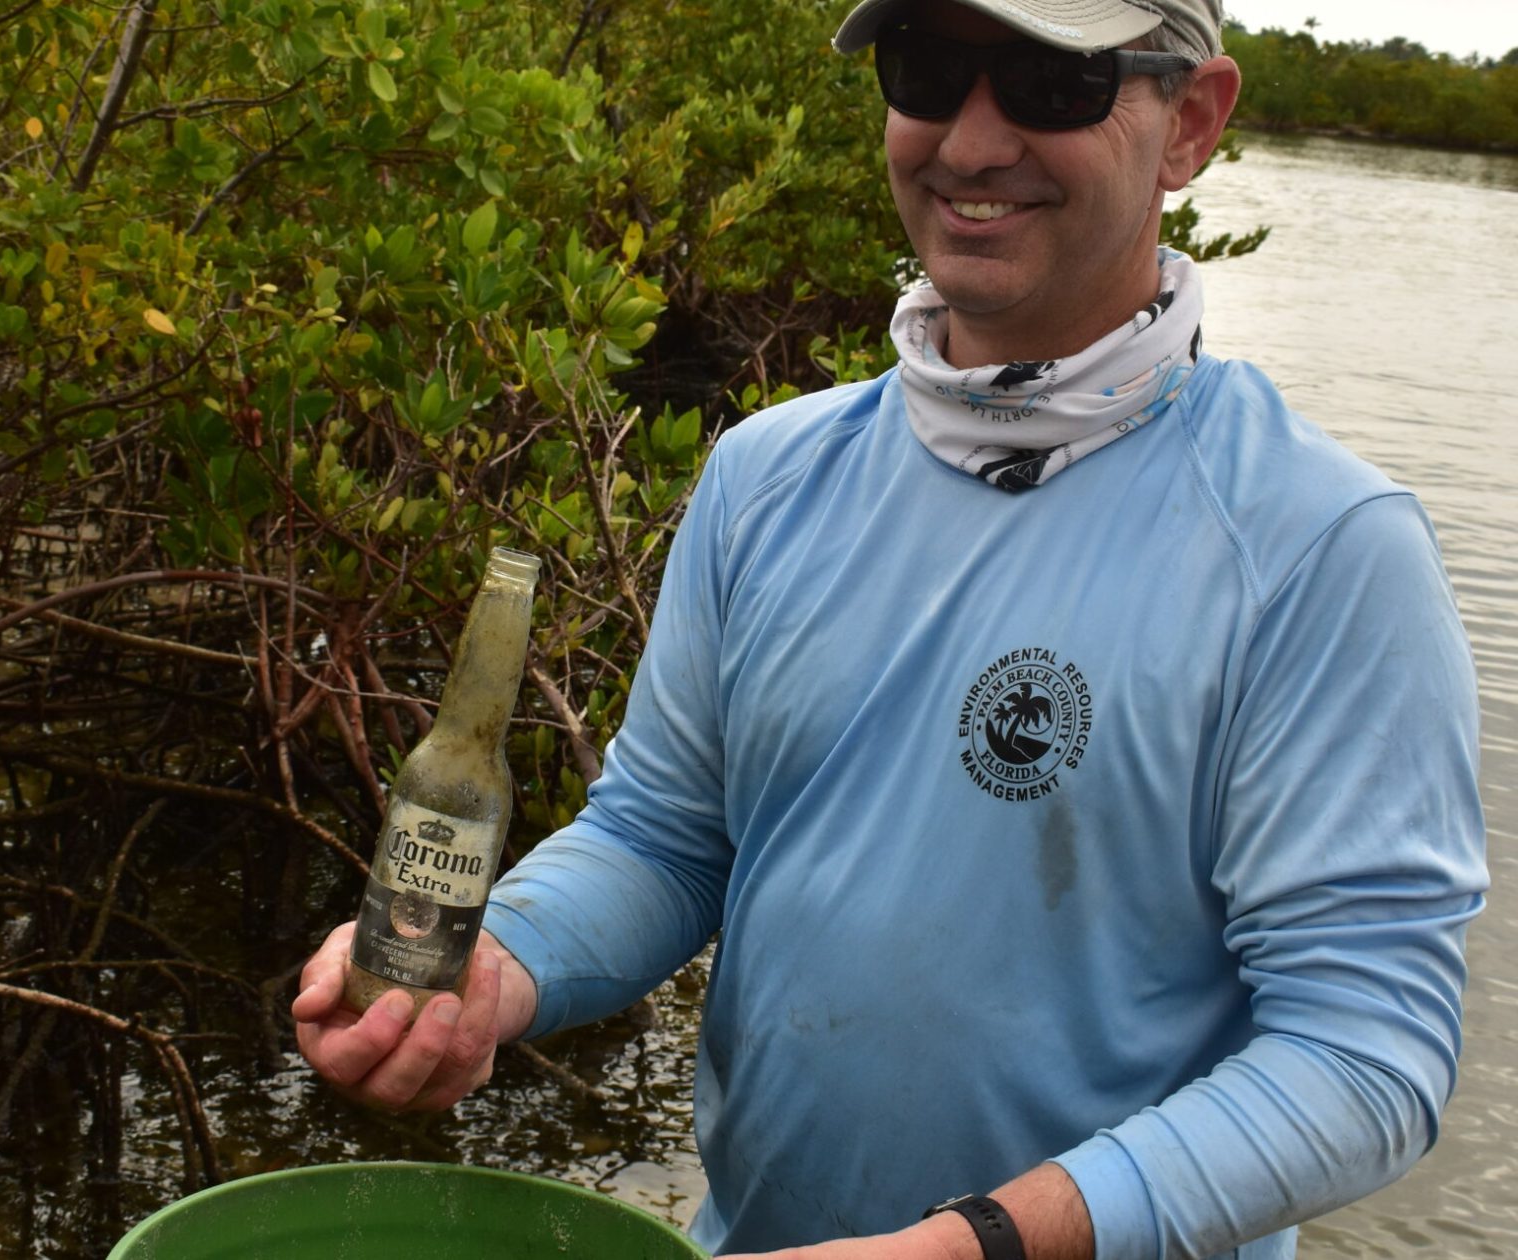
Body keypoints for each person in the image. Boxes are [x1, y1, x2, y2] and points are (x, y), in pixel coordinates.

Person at [293, 0, 1488, 1256]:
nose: (971, 143)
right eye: (928, 71)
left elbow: (1365, 1056)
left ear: (1190, 122)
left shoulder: (1321, 544)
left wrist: (978, 1243)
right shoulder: (768, 474)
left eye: (1047, 81)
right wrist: (494, 974)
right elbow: (663, 837)